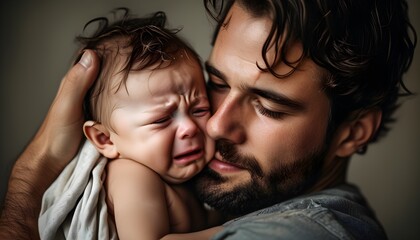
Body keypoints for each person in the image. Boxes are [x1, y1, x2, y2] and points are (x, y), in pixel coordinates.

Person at [0, 0, 416, 239]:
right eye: (216, 84)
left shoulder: (304, 233)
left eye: (267, 106)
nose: (213, 125)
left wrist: (32, 176)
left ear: (353, 132)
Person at [41, 9, 216, 240]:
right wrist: (234, 231)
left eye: (200, 110)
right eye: (162, 119)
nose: (190, 128)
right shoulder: (132, 176)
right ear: (105, 139)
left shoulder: (189, 178)